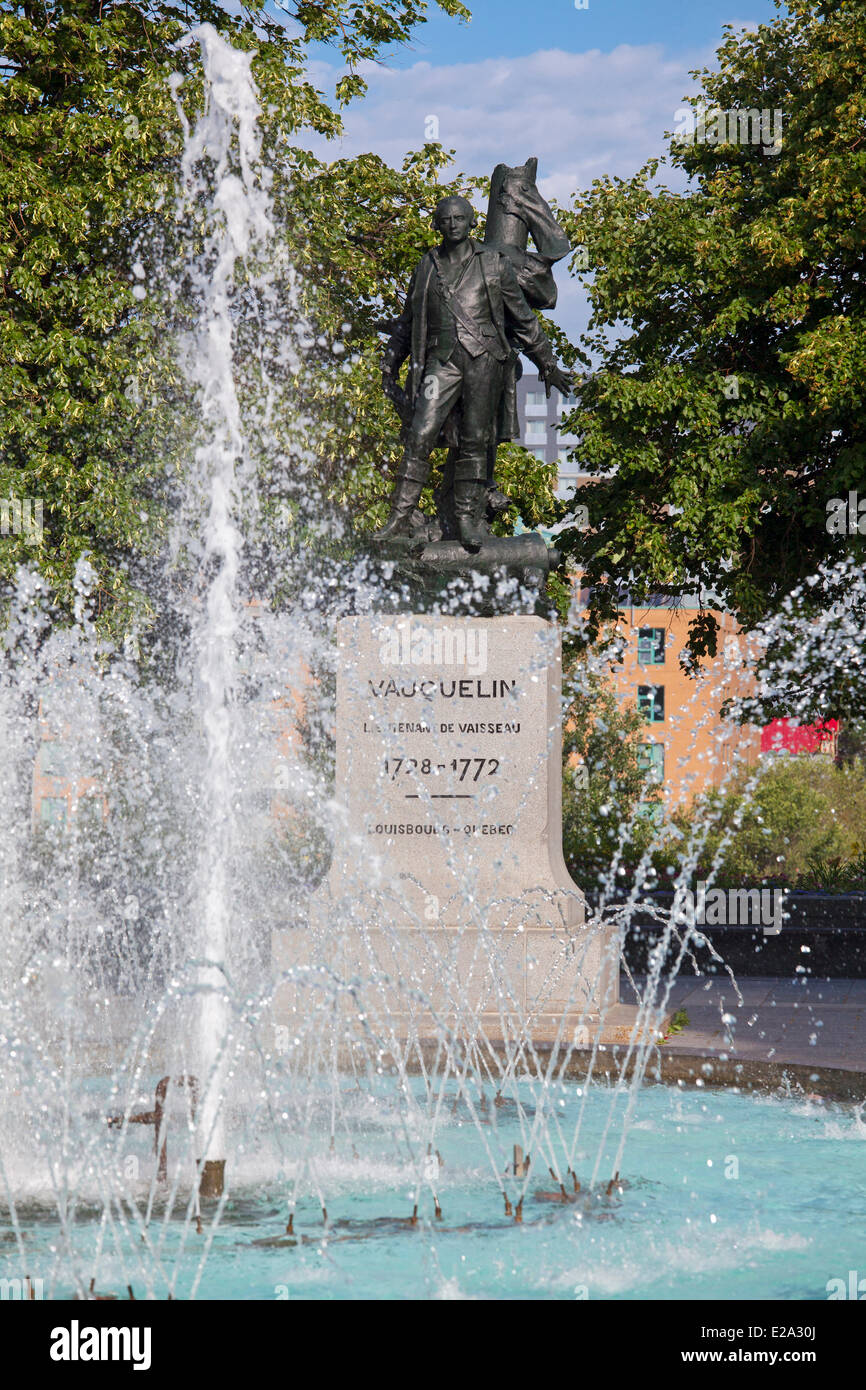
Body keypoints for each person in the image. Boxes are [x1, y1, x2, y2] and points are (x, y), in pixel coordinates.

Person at [376, 195, 572, 549]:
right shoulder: (427, 265)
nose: (452, 224)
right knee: (420, 433)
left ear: (471, 223)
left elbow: (523, 318)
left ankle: (467, 518)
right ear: (437, 224)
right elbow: (408, 322)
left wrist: (548, 363)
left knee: (474, 440)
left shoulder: (494, 264)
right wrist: (391, 359)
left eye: (459, 218)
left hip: (484, 361)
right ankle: (400, 516)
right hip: (441, 362)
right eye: (445, 219)